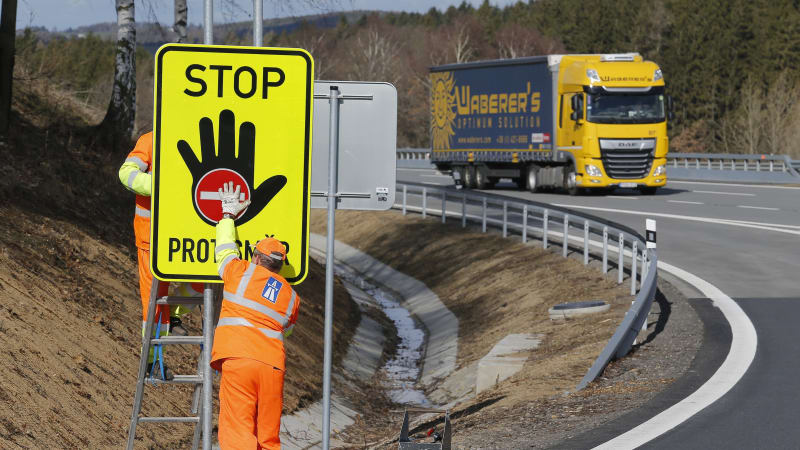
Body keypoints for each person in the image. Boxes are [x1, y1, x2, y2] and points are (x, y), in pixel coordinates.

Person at [212, 181, 300, 450]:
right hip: (272, 367)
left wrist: (228, 216)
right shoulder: (292, 297)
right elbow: (286, 329)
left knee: (238, 431)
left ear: (257, 258)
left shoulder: (241, 273)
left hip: (240, 360)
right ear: (280, 266)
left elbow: (225, 250)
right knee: (268, 437)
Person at [118, 132, 201, 378]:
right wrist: (158, 185)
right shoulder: (152, 139)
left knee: (203, 284)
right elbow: (126, 173)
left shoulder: (199, 136)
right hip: (151, 239)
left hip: (189, 237)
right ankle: (151, 362)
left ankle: (173, 314)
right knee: (152, 303)